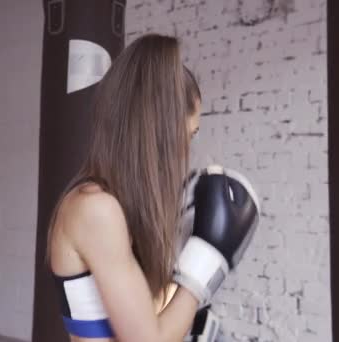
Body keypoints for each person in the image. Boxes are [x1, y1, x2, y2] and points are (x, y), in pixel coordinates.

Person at [47, 34, 260, 342]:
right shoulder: (95, 209)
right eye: (190, 133)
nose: (188, 147)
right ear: (163, 131)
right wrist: (208, 259)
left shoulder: (114, 207)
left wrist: (186, 258)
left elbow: (150, 313)